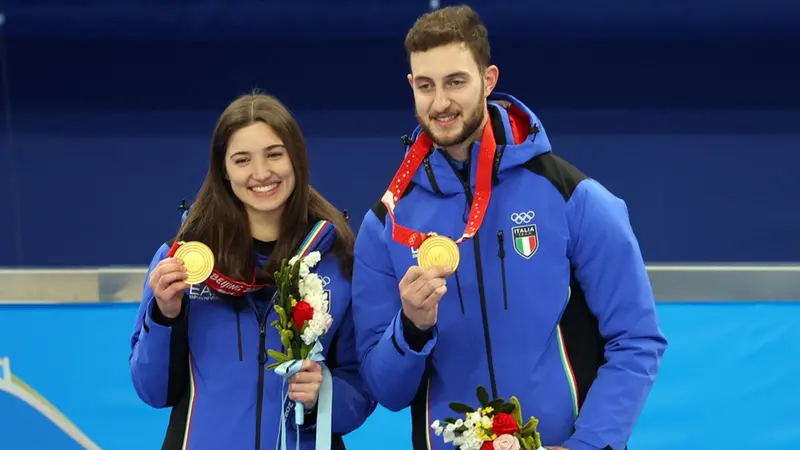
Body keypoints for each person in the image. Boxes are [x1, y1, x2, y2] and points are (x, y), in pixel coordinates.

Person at [351, 5, 667, 450]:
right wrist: (412, 328)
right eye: (426, 85)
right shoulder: (387, 225)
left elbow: (636, 338)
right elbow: (386, 391)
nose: (440, 103)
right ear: (411, 86)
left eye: (456, 82)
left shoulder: (570, 195)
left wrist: (590, 445)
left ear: (489, 79)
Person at [129, 93, 375, 450]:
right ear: (223, 171)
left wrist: (324, 395)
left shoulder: (339, 261)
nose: (261, 173)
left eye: (274, 154)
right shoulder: (181, 263)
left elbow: (361, 389)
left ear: (296, 159)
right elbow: (153, 391)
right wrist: (165, 316)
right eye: (242, 160)